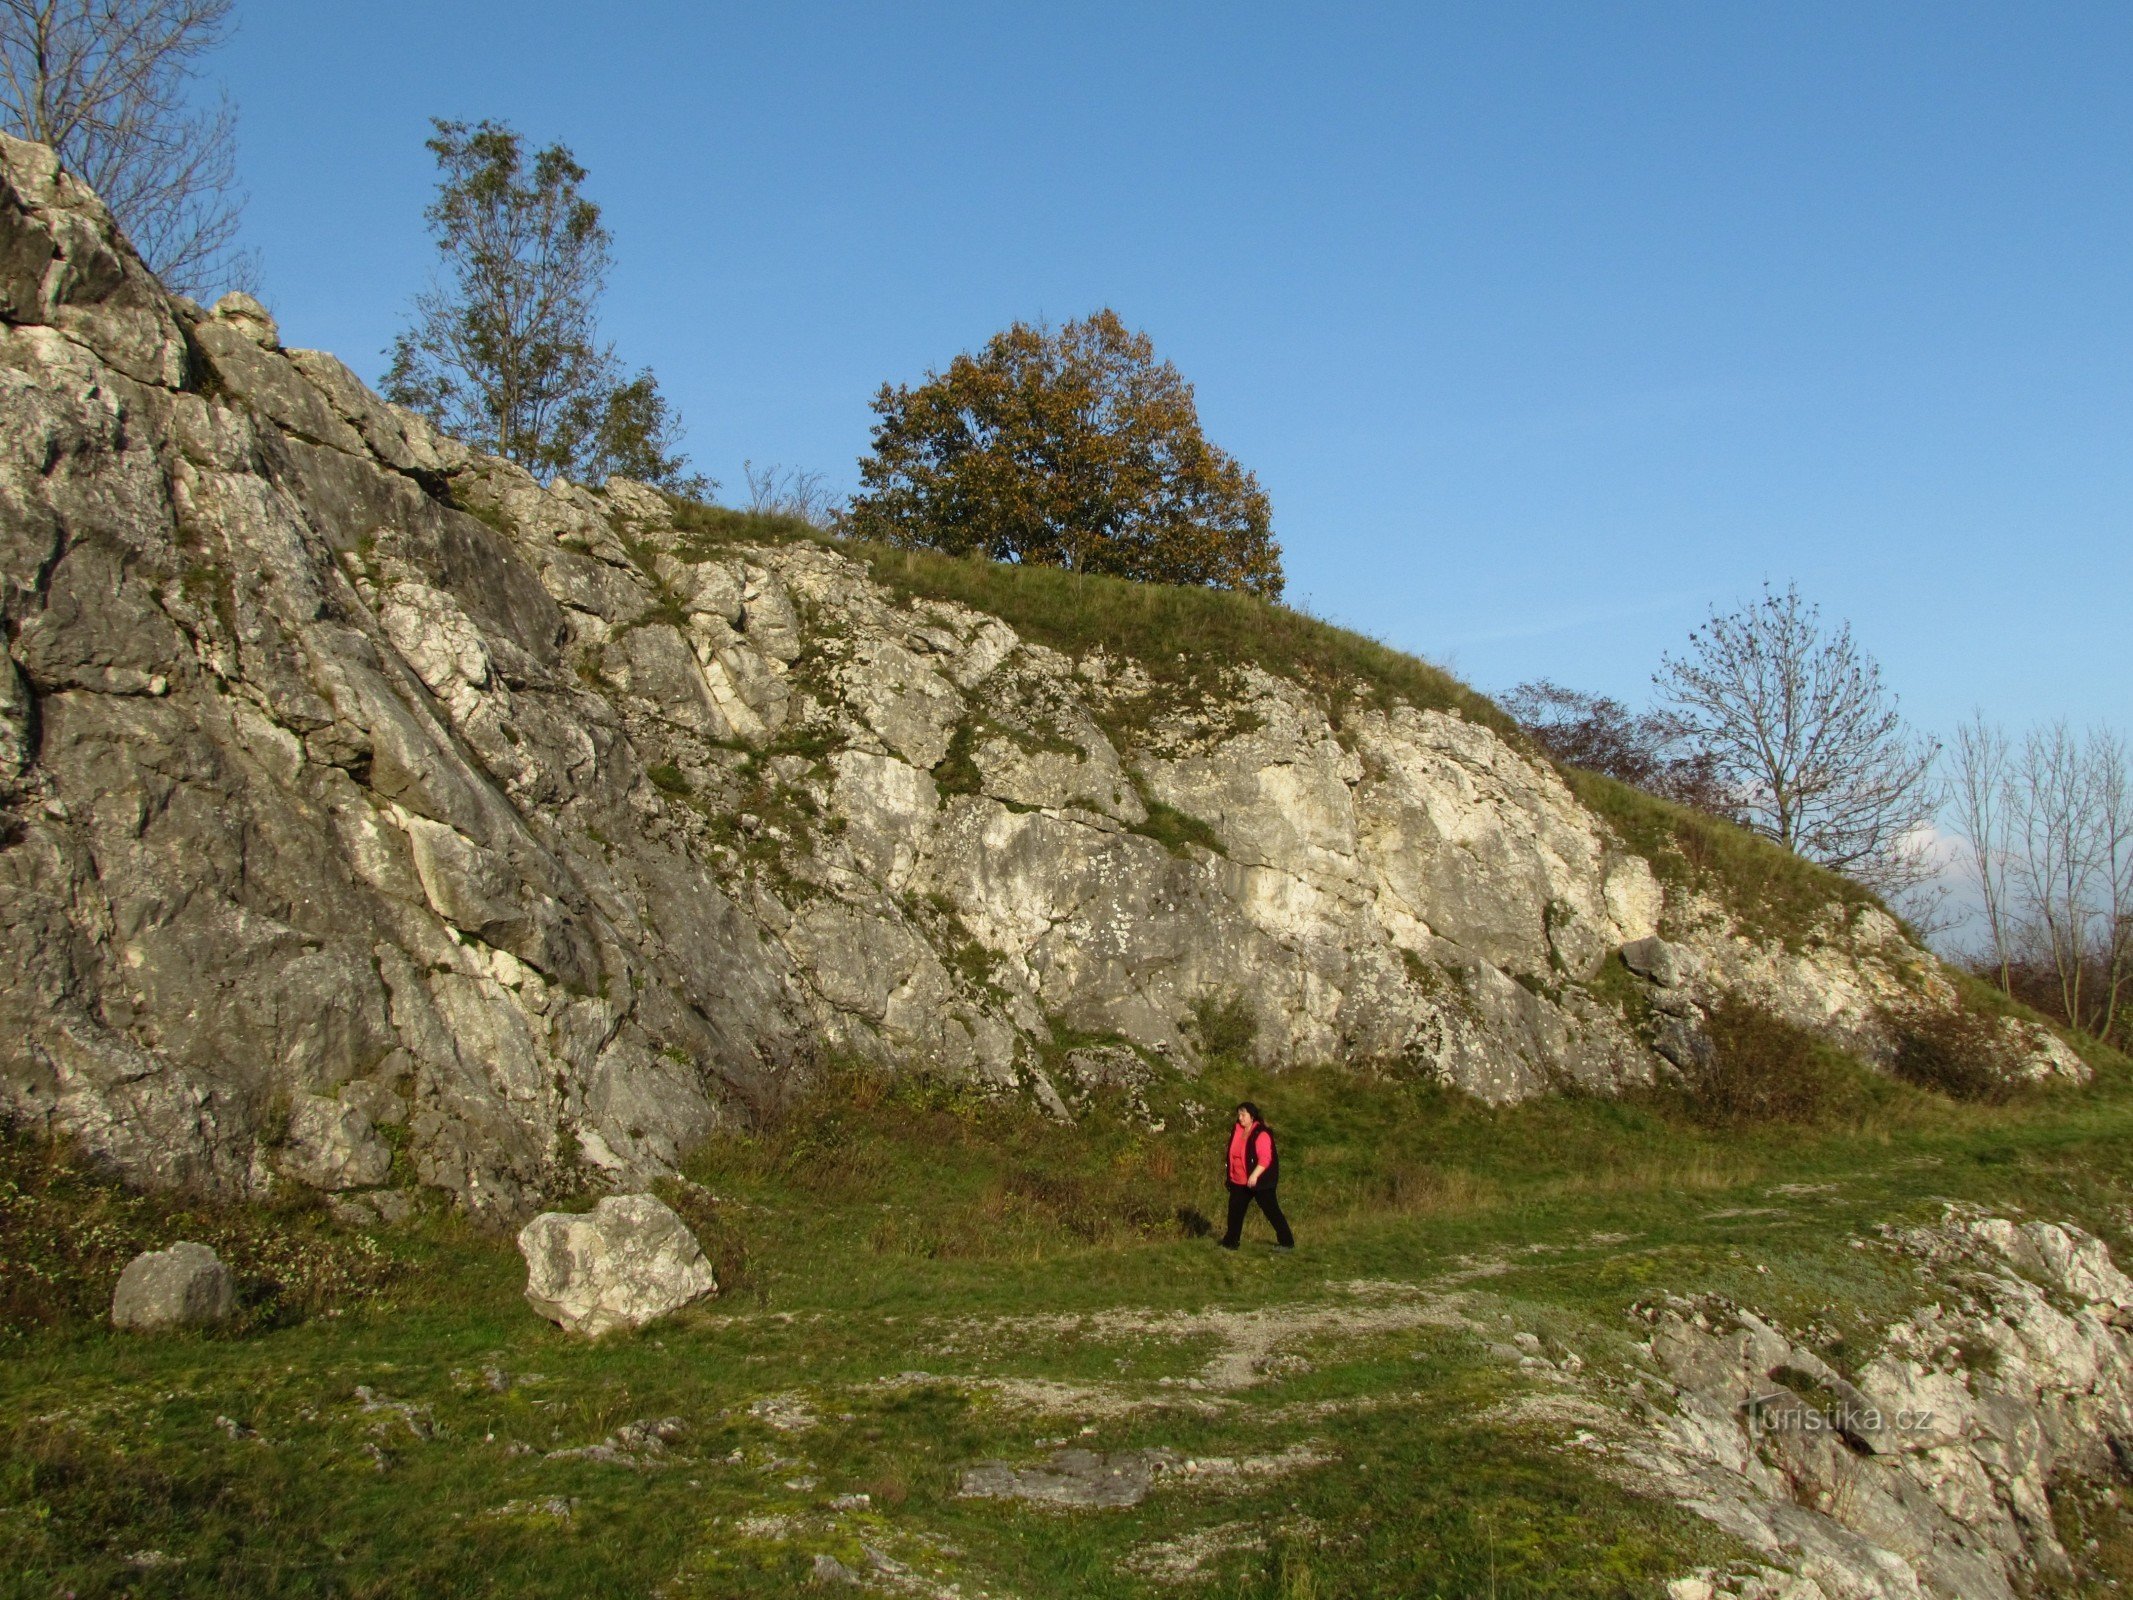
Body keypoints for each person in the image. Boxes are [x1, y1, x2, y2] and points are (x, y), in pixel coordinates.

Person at [1219, 1101, 1293, 1250]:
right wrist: (1230, 1175)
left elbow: (1265, 1159)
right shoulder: (1237, 1130)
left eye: (1243, 1115)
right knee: (1235, 1211)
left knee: (1271, 1210)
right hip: (1239, 1180)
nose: (1240, 1118)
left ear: (1252, 1116)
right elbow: (1232, 1154)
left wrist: (1254, 1175)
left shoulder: (1261, 1133)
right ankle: (1231, 1242)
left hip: (1261, 1181)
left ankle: (1287, 1242)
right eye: (1239, 1114)